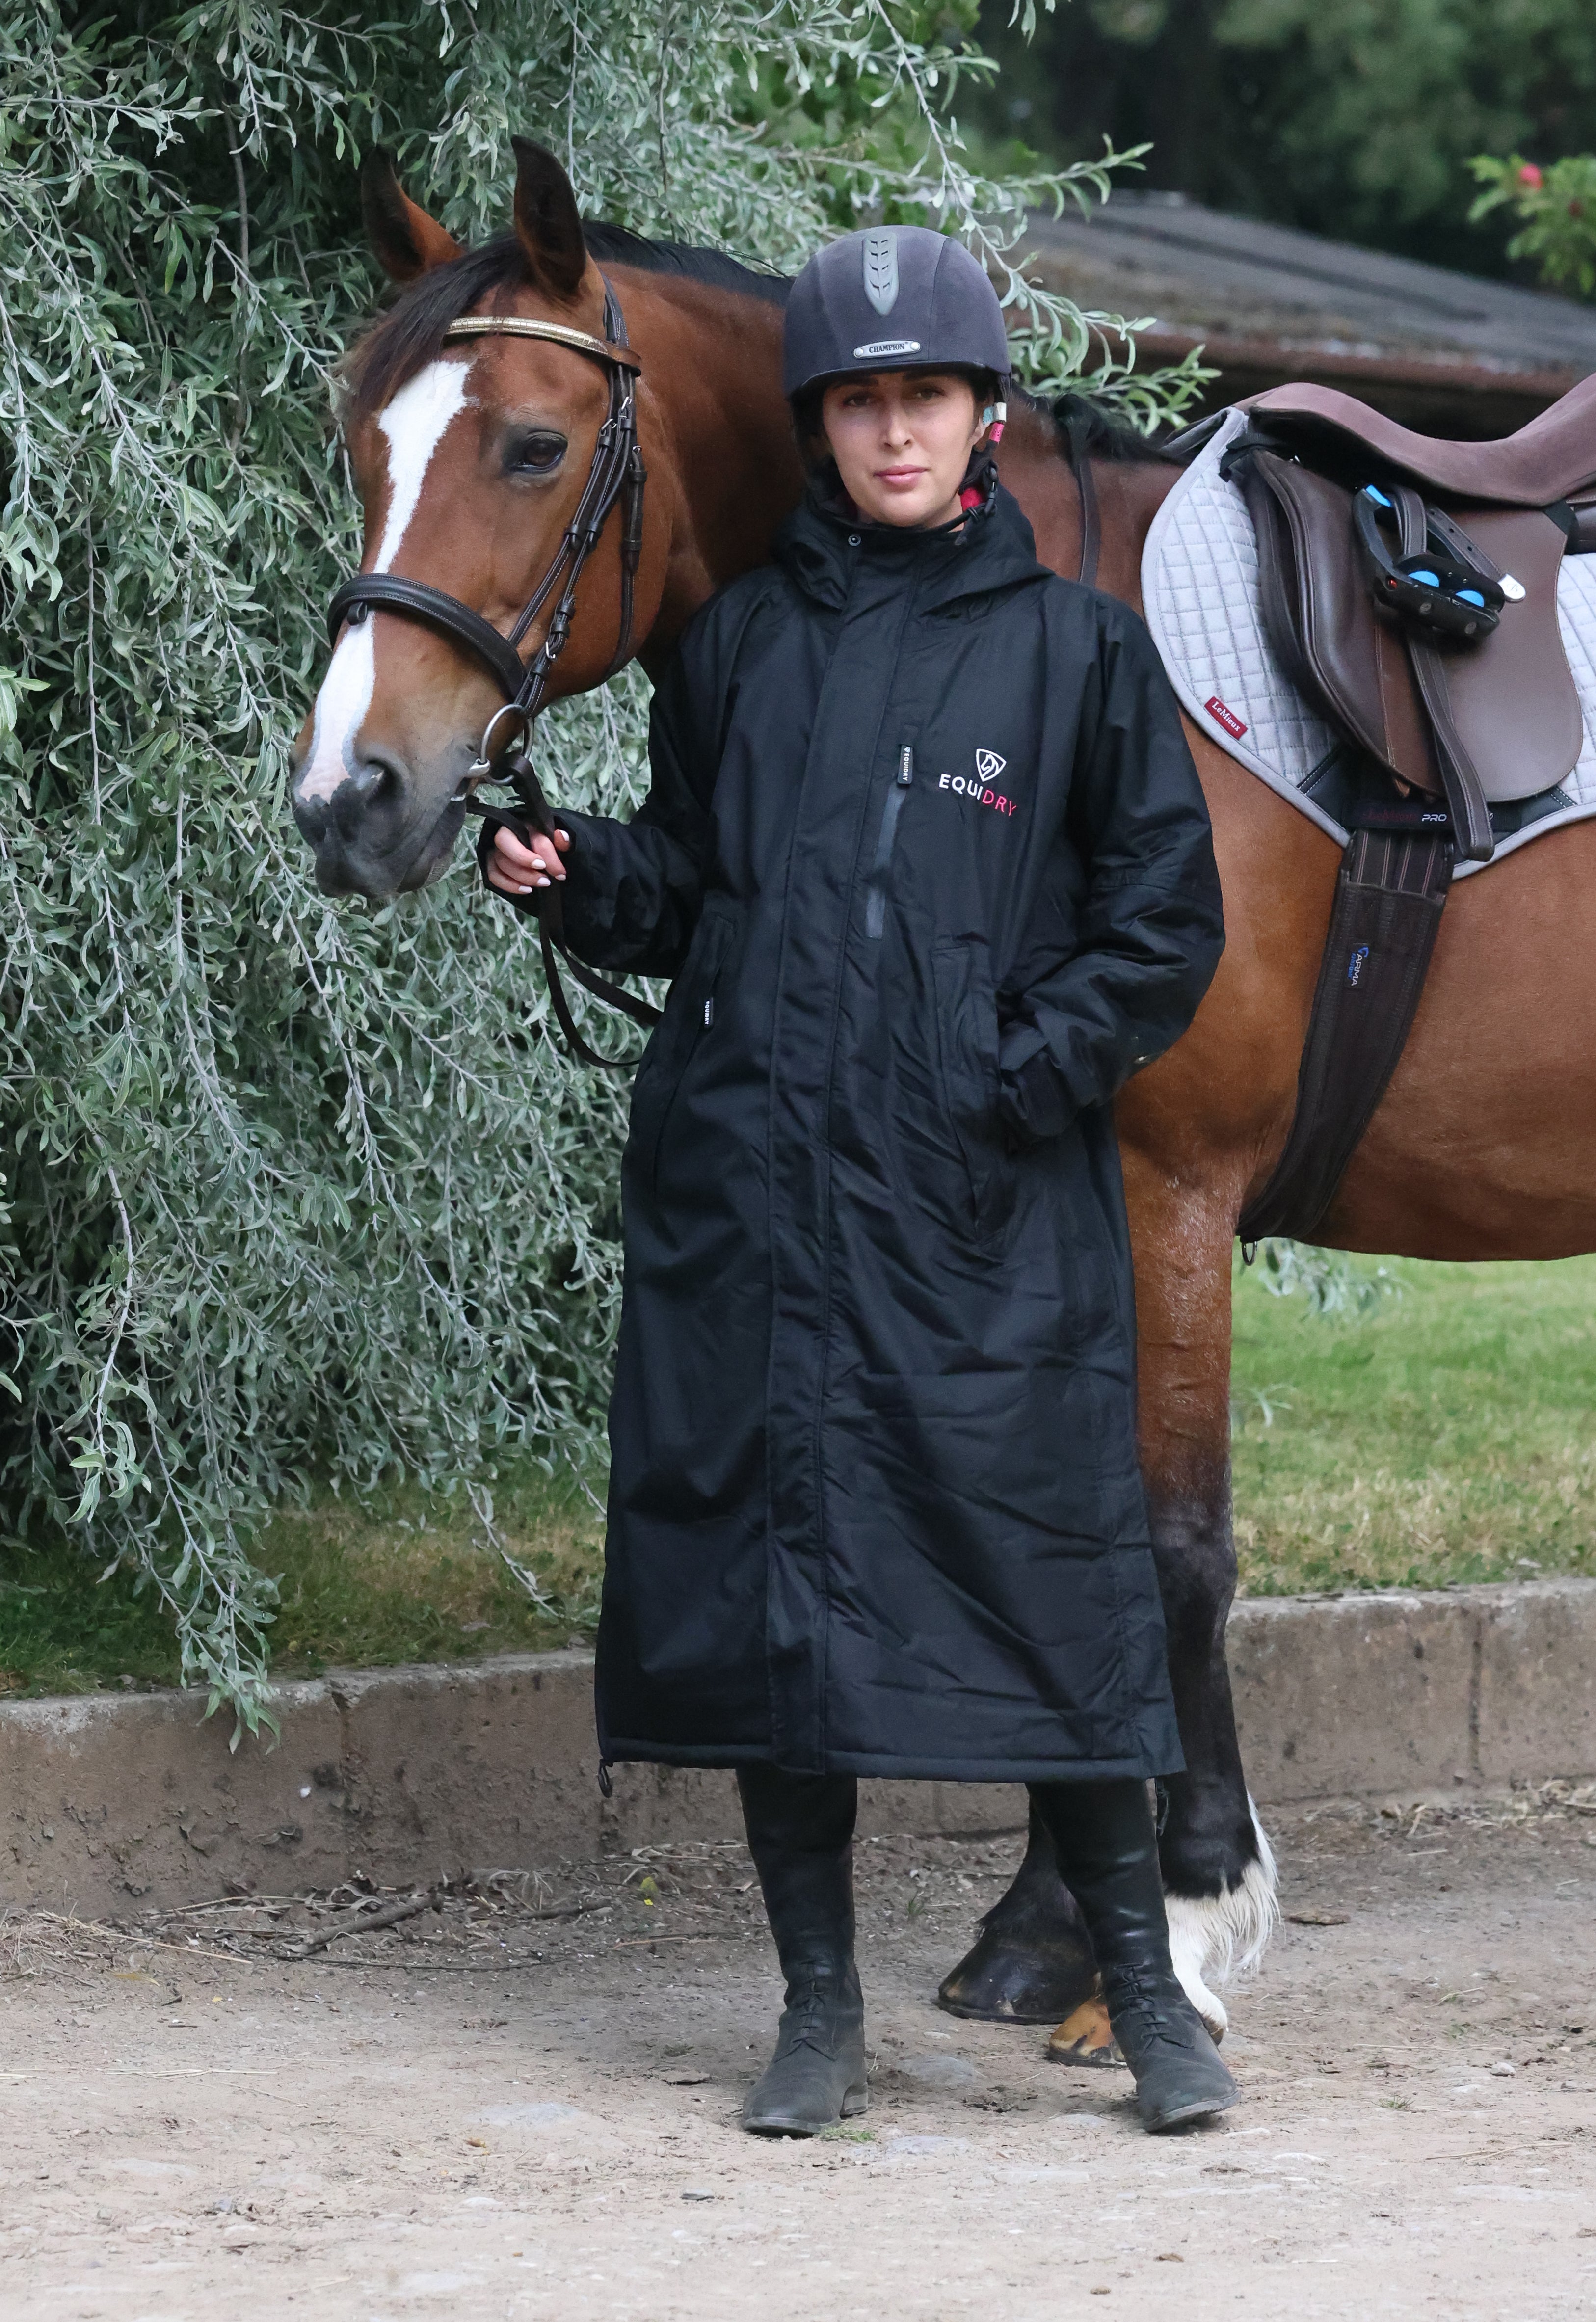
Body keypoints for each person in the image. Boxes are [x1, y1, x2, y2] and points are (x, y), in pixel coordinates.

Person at [486, 226, 1231, 2135]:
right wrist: (586, 878)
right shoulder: (736, 649)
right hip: (764, 1211)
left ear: (982, 413)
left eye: (925, 394)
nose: (892, 429)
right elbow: (695, 890)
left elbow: (1161, 931)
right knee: (774, 1611)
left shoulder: (1080, 651)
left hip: (982, 1223)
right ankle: (818, 2008)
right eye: (857, 400)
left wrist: (1008, 1072)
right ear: (818, 424)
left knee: (1050, 1600)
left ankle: (1150, 1996)